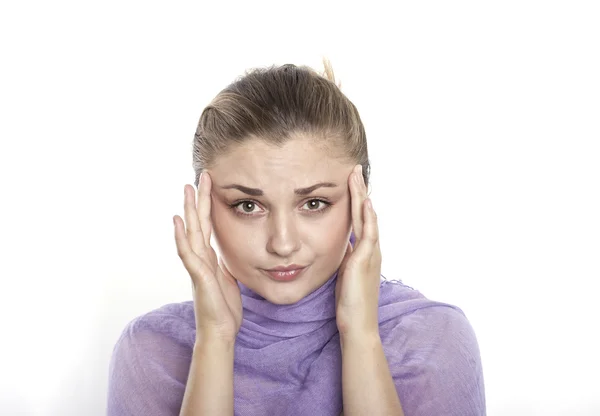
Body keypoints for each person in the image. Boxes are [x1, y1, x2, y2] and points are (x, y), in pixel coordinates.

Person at [107, 60, 486, 416]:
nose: (283, 244)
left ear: (360, 198)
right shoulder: (151, 350)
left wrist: (361, 336)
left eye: (315, 203)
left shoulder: (431, 340)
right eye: (248, 206)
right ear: (204, 208)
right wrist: (216, 340)